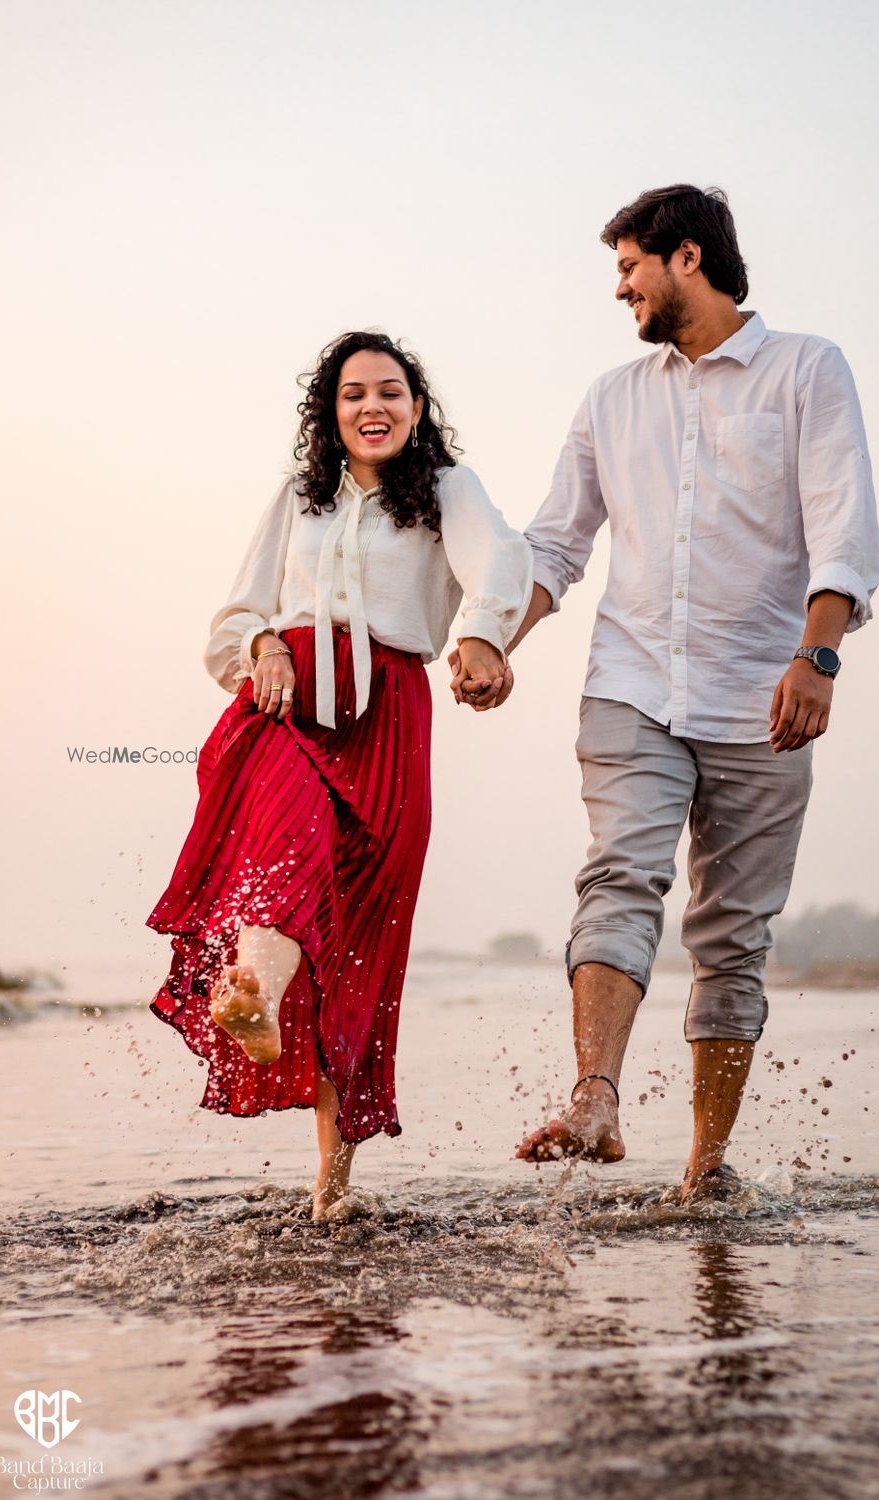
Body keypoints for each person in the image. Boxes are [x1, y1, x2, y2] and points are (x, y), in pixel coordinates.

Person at [453, 183, 879, 1203]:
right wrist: (494, 641)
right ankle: (595, 1098)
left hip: (766, 697)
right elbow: (556, 542)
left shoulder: (806, 370)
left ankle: (703, 1166)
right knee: (619, 875)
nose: (619, 288)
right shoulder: (612, 397)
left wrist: (816, 658)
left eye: (628, 266)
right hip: (632, 684)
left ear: (686, 257)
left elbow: (842, 522)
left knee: (731, 933)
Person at [147, 330, 532, 1219]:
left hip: (392, 720)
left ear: (417, 407)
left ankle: (331, 1189)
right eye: (354, 393)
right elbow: (233, 615)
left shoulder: (445, 491)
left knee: (360, 946)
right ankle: (255, 992)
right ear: (330, 413)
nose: (373, 406)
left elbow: (499, 564)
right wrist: (263, 642)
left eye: (391, 392)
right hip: (289, 705)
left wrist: (480, 640)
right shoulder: (297, 497)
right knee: (288, 843)